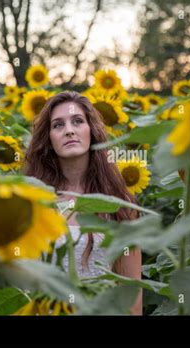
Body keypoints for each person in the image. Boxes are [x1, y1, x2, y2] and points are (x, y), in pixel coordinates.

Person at [24, 91, 142, 315]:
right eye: (58, 125)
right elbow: (22, 285)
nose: (69, 130)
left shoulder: (119, 204)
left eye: (77, 121)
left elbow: (131, 293)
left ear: (92, 131)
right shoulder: (34, 200)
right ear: (48, 139)